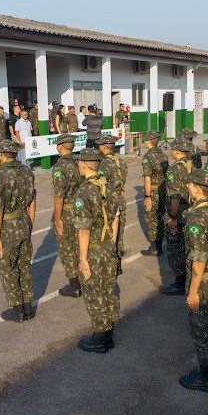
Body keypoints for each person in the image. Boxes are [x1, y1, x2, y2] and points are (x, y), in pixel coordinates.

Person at [179, 168, 208, 393]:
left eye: (190, 184)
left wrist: (193, 291)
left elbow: (198, 258)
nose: (187, 187)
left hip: (204, 281)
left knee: (202, 331)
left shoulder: (197, 216)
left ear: (198, 188)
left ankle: (206, 378)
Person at [73, 148, 120, 353]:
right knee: (108, 288)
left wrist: (83, 259)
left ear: (83, 164)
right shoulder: (108, 185)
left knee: (94, 292)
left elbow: (84, 230)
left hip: (92, 248)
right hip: (108, 246)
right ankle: (108, 334)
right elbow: (116, 217)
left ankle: (100, 339)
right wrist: (113, 243)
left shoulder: (84, 191)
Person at [0, 139, 36, 322]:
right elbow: (32, 201)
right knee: (25, 266)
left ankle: (17, 310)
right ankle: (28, 307)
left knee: (9, 267)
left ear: (1, 155)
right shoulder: (27, 171)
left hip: (8, 227)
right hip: (24, 222)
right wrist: (29, 223)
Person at [161, 139, 194, 295]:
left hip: (179, 213)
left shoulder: (174, 169)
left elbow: (174, 197)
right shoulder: (191, 165)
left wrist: (172, 217)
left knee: (176, 249)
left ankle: (180, 283)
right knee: (188, 246)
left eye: (173, 149)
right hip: (191, 211)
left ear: (177, 151)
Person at [51, 134, 82, 298]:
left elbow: (58, 196)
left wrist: (57, 218)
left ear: (60, 147)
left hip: (67, 212)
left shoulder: (60, 166)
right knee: (80, 246)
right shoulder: (80, 161)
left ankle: (74, 285)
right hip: (81, 210)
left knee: (67, 249)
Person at [97, 134, 128, 274]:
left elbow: (102, 184)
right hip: (120, 200)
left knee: (109, 234)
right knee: (119, 233)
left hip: (109, 202)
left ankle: (111, 265)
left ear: (104, 147)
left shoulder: (104, 164)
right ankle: (118, 264)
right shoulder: (120, 161)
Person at [140, 130, 169, 257]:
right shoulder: (163, 155)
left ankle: (154, 247)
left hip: (153, 191)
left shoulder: (148, 157)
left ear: (148, 141)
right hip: (163, 189)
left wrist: (147, 197)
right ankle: (160, 244)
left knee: (151, 218)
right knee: (160, 217)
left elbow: (147, 179)